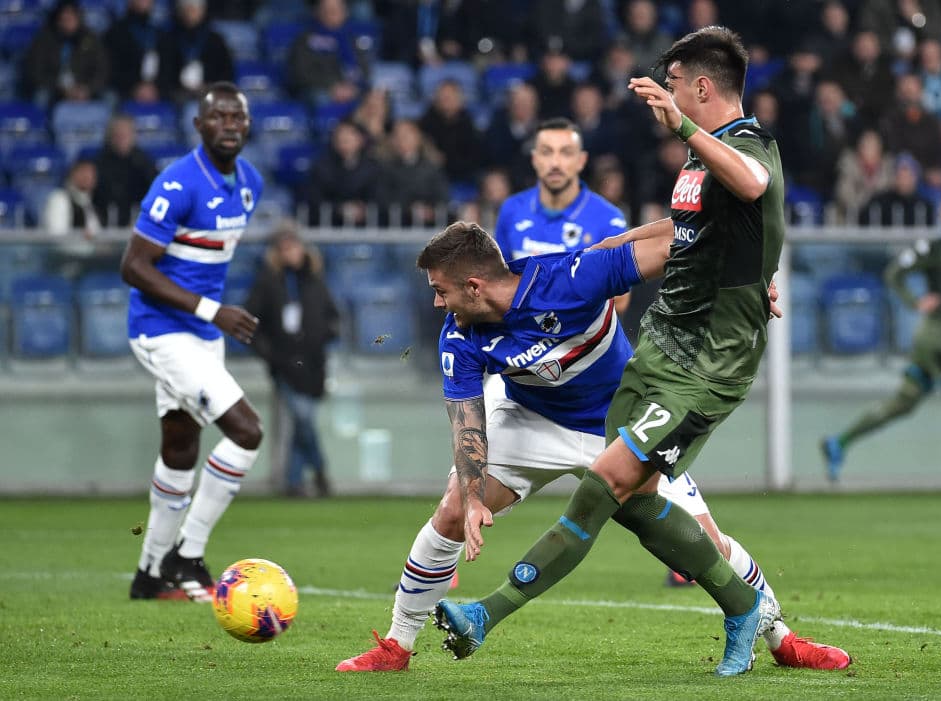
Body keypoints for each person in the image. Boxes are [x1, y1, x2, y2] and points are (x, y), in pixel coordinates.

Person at [431, 26, 793, 677]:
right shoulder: (696, 160)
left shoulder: (746, 142)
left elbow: (754, 186)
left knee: (605, 482)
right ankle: (746, 606)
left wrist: (682, 126)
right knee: (633, 500)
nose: (670, 93)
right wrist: (608, 254)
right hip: (658, 347)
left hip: (710, 362)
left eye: (677, 83)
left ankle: (488, 612)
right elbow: (683, 231)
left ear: (701, 86)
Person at [334, 222, 849, 673]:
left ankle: (783, 639)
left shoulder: (570, 279)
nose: (436, 303)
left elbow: (680, 239)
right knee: (449, 513)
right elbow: (468, 423)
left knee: (706, 542)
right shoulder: (460, 336)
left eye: (441, 291)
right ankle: (397, 646)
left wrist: (745, 282)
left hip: (621, 423)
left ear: (474, 285)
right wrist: (471, 497)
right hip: (530, 418)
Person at [122, 81, 264, 601]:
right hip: (162, 331)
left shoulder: (250, 183)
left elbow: (205, 263)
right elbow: (133, 266)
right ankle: (188, 554)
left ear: (248, 126)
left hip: (204, 335)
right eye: (218, 117)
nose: (229, 125)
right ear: (199, 126)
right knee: (247, 431)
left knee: (181, 447)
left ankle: (148, 575)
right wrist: (213, 311)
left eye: (238, 118)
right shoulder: (177, 184)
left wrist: (211, 318)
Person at [821, 189, 941, 498]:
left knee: (902, 405)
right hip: (935, 341)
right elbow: (894, 273)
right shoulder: (934, 248)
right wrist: (915, 301)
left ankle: (838, 443)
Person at [492, 117, 630, 315]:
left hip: (581, 342)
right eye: (547, 152)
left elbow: (621, 301)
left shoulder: (607, 219)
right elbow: (498, 282)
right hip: (524, 340)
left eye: (565, 153)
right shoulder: (512, 209)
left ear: (581, 160)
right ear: (534, 159)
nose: (555, 163)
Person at [245, 222, 340, 497]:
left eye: (294, 246)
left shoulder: (314, 279)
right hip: (284, 365)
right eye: (284, 248)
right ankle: (320, 470)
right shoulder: (267, 283)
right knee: (303, 418)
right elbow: (251, 323)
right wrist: (269, 354)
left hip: (313, 364)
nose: (291, 253)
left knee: (302, 423)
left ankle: (293, 481)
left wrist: (324, 335)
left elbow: (332, 316)